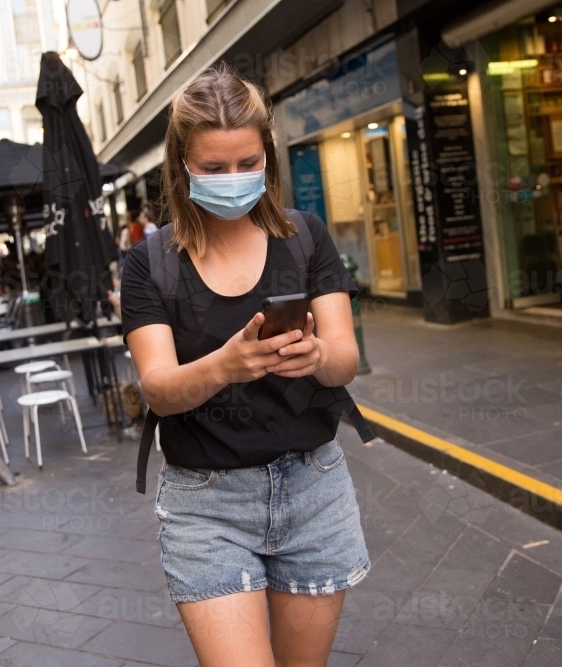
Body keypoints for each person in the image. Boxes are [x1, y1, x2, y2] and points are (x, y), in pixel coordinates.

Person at [120, 64, 368, 667]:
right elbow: (158, 391)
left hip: (313, 489)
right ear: (182, 166)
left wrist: (315, 355)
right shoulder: (150, 263)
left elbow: (345, 362)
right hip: (207, 506)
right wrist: (226, 365)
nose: (233, 179)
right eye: (213, 167)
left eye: (247, 163)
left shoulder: (306, 238)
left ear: (268, 159)